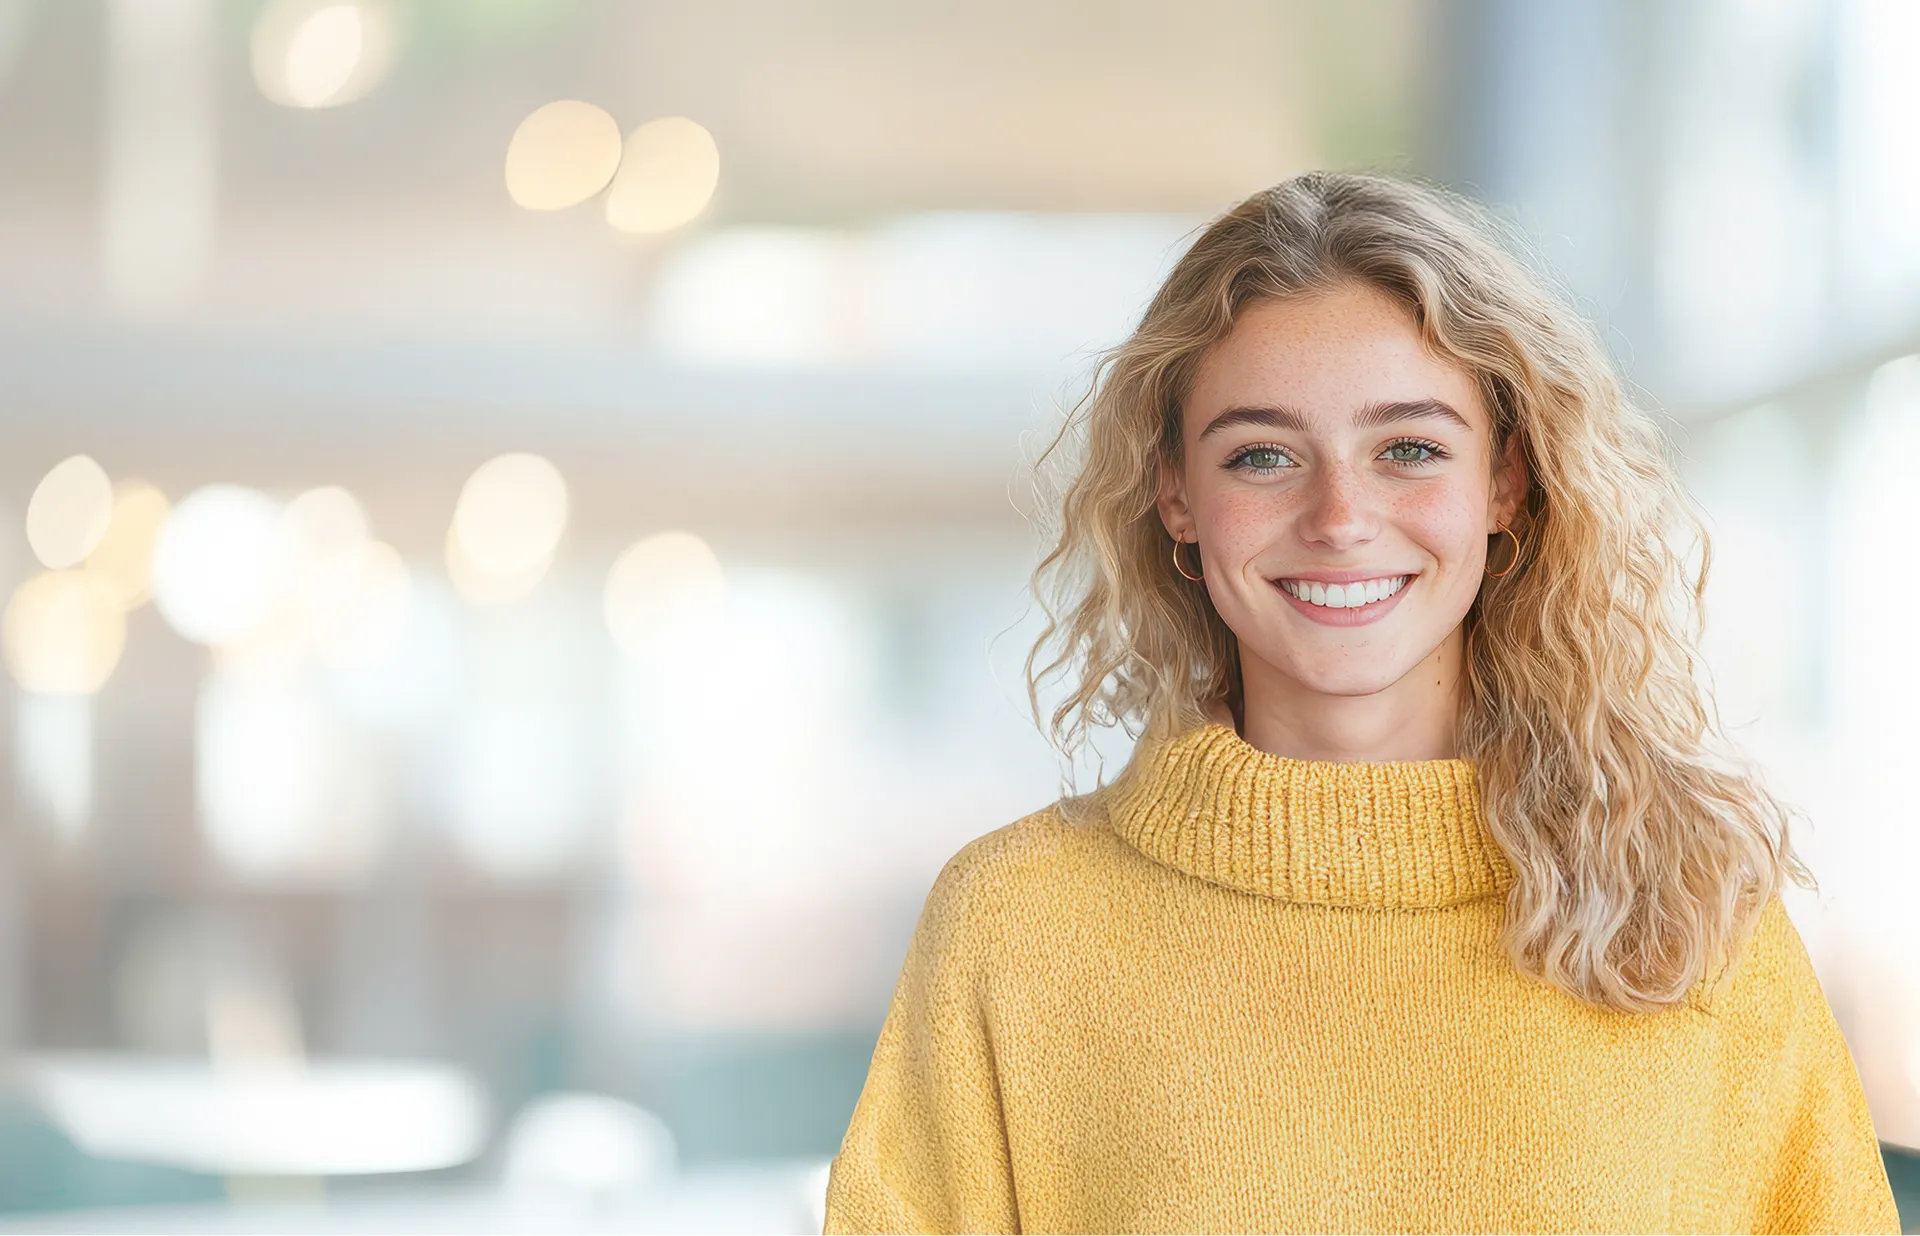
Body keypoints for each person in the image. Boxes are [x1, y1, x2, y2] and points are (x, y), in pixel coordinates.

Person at [821, 172, 1901, 1234]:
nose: (1340, 516)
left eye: (1410, 449)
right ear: (1176, 496)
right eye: (1264, 456)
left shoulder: (1686, 908)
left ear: (1507, 482)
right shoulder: (1015, 928)